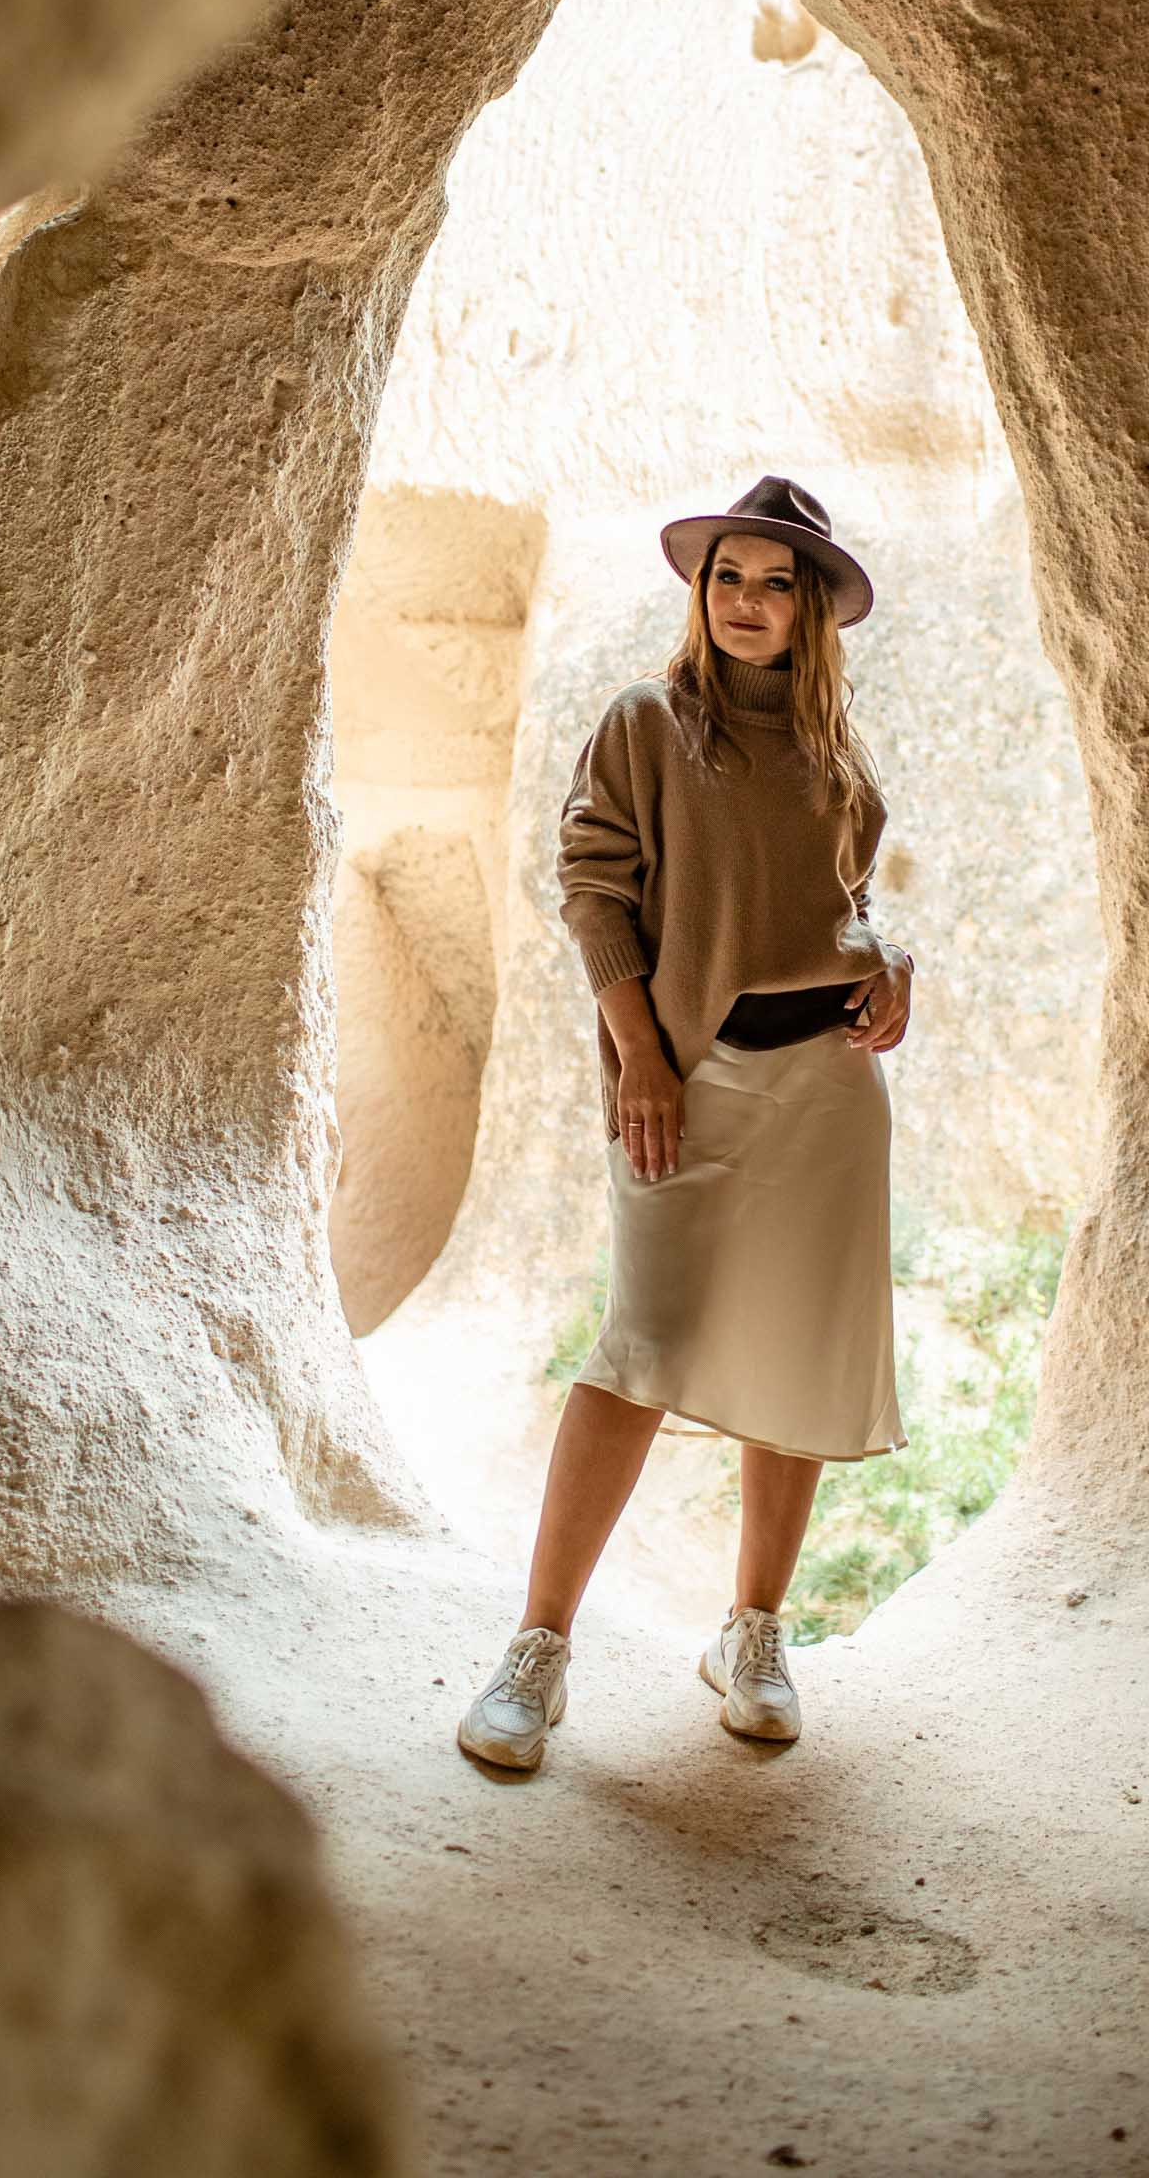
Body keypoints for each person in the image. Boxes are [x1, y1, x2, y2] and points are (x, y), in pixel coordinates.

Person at [458, 473, 916, 1770]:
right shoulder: (648, 723)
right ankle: (538, 1651)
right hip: (691, 1079)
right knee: (642, 1347)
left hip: (827, 1089)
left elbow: (844, 906)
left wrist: (894, 961)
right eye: (728, 578)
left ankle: (754, 1634)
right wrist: (641, 1058)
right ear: (700, 591)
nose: (746, 603)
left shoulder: (837, 754)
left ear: (811, 610)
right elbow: (593, 887)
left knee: (797, 1351)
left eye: (775, 585)